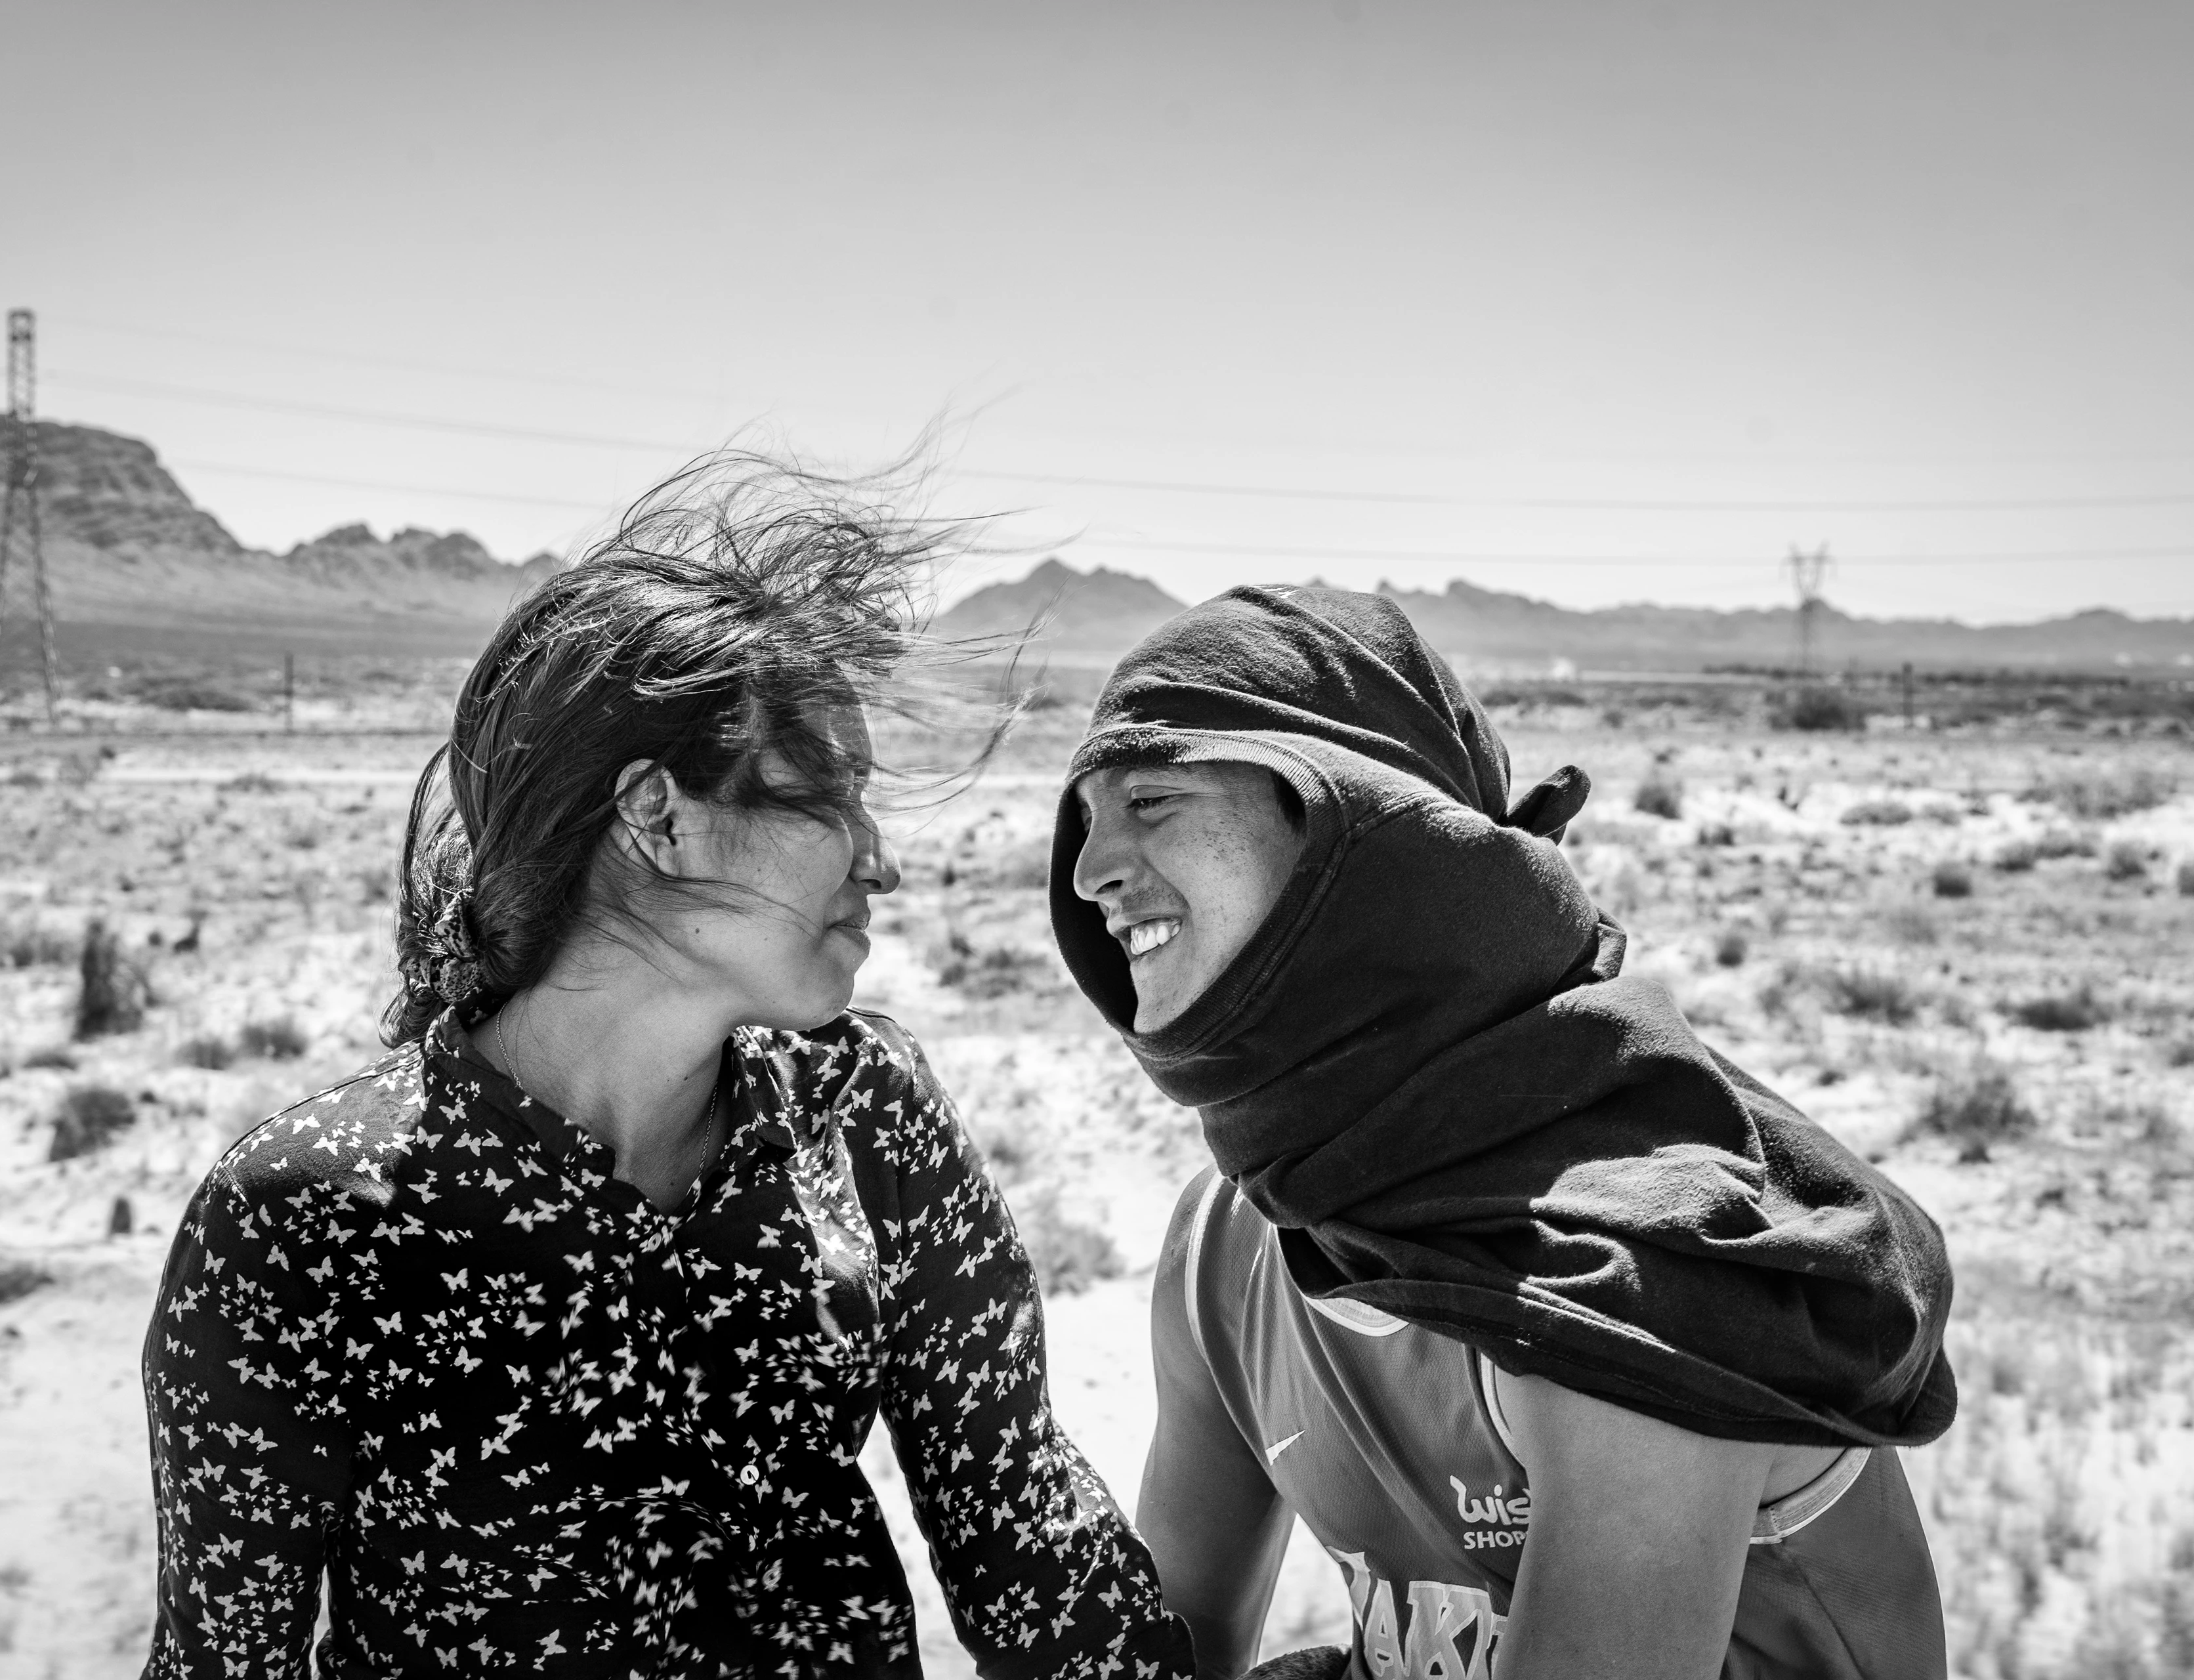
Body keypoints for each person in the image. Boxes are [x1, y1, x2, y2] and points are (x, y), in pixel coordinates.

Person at [140, 457, 1194, 1679]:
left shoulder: (866, 1112)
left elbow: (1025, 1543)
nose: (879, 862)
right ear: (657, 817)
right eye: (830, 799)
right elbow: (222, 1662)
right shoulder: (305, 1225)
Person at [1046, 585, 1954, 1679]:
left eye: (1152, 802)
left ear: (1362, 835)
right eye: (1087, 820)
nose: (1091, 872)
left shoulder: (1632, 1264)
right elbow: (1175, 1642)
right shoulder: (1227, 1246)